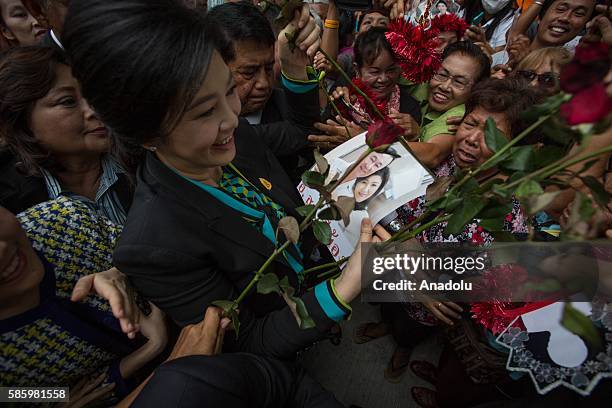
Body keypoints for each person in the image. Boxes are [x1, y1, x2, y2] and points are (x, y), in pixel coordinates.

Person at [62, 0, 382, 406]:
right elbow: (249, 340)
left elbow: (301, 132)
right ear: (147, 136)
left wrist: (296, 69)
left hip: (323, 274)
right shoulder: (155, 244)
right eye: (204, 112)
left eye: (228, 90)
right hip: (292, 340)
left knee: (462, 272)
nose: (231, 117)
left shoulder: (232, 137)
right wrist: (341, 290)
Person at [355, 78, 541, 387]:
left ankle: (403, 347)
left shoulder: (508, 226)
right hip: (392, 270)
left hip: (426, 306)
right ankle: (385, 325)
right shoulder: (443, 166)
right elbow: (389, 211)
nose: (471, 139)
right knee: (385, 307)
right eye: (471, 124)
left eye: (492, 136)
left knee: (408, 329)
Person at [0, 197, 166, 402]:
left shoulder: (62, 218)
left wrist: (121, 270)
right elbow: (10, 397)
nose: (2, 251)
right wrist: (148, 351)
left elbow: (159, 248)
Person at [0, 46, 131, 223]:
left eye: (92, 95)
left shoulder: (144, 161)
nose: (93, 110)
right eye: (68, 101)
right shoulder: (10, 208)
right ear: (22, 122)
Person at [206, 1, 321, 180]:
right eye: (249, 72)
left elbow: (309, 135)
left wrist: (295, 68)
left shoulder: (285, 105)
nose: (263, 83)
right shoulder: (196, 129)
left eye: (268, 68)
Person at [310, 27, 422, 148]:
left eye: (391, 70)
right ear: (357, 70)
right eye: (375, 72)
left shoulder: (408, 108)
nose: (383, 79)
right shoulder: (342, 97)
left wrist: (415, 136)